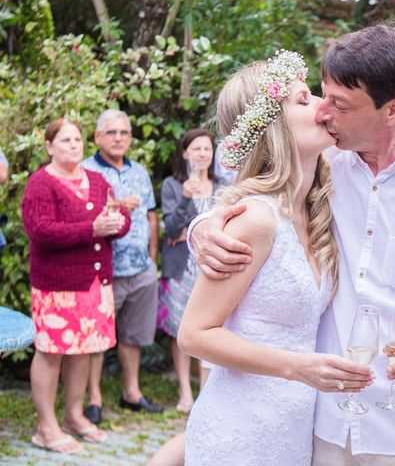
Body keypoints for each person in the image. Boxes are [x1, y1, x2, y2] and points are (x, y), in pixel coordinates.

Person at [188, 24, 395, 464]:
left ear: (394, 109)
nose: (325, 113)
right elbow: (260, 188)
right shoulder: (325, 160)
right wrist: (203, 227)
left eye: (340, 104)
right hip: (322, 422)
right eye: (321, 96)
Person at [178, 50, 374, 465]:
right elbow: (194, 334)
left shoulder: (320, 203)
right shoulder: (255, 219)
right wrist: (300, 368)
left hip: (293, 428)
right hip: (239, 432)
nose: (324, 105)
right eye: (304, 100)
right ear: (272, 127)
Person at [21, 118, 130, 453]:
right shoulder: (41, 184)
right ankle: (45, 426)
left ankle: (73, 415)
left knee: (84, 349)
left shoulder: (97, 180)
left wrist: (117, 221)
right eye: (65, 140)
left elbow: (119, 220)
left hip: (95, 282)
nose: (73, 144)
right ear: (50, 146)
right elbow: (39, 231)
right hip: (57, 285)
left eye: (78, 139)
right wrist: (91, 229)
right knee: (51, 352)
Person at [82, 109, 163, 424]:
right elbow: (82, 217)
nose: (118, 138)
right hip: (103, 270)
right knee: (98, 337)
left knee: (133, 336)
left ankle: (131, 392)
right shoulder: (86, 171)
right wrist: (114, 206)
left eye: (124, 133)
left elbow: (151, 215)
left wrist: (152, 257)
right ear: (98, 137)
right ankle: (93, 399)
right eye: (111, 133)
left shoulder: (139, 171)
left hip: (141, 269)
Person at [157, 128, 218, 412]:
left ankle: (206, 392)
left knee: (211, 328)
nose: (202, 154)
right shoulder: (172, 185)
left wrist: (188, 233)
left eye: (206, 148)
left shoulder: (223, 188)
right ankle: (184, 391)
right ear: (185, 153)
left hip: (214, 270)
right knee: (181, 330)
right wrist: (184, 198)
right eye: (196, 149)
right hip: (182, 270)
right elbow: (171, 229)